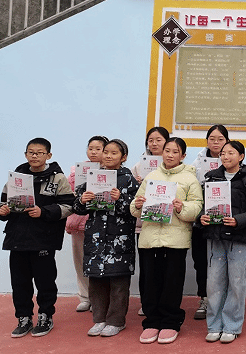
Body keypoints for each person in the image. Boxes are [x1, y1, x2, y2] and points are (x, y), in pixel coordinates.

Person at [0, 138, 74, 337]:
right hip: (17, 239)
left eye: (39, 153)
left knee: (45, 281)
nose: (34, 156)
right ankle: (23, 318)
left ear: (48, 155)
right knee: (19, 282)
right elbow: (3, 204)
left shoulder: (58, 179)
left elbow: (68, 206)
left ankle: (45, 316)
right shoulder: (16, 178)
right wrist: (2, 211)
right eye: (31, 152)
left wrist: (43, 212)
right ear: (25, 155)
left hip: (44, 239)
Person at [131, 137, 203, 344]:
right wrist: (138, 204)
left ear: (183, 156)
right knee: (150, 282)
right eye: (167, 151)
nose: (170, 155)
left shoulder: (189, 178)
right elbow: (134, 208)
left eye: (175, 152)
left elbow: (197, 206)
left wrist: (182, 207)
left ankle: (171, 322)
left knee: (172, 282)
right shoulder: (151, 176)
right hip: (149, 238)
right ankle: (152, 322)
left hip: (175, 239)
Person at [200, 140, 246, 343]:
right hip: (216, 237)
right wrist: (201, 217)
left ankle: (232, 325)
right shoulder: (212, 177)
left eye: (230, 153)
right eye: (223, 153)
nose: (225, 157)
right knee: (214, 284)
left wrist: (238, 220)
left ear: (241, 156)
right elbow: (203, 205)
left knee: (236, 283)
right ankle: (214, 325)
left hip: (238, 238)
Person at [72, 139, 140, 337]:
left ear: (123, 157)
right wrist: (82, 200)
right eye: (106, 152)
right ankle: (99, 319)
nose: (108, 156)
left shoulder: (128, 180)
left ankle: (116, 321)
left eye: (114, 153)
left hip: (119, 239)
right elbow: (76, 206)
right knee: (96, 280)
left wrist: (121, 199)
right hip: (95, 237)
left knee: (118, 281)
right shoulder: (92, 177)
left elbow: (135, 208)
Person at [189, 125, 229, 321]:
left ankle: (223, 300)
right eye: (212, 139)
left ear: (227, 141)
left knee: (223, 262)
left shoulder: (233, 161)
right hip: (201, 221)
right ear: (207, 141)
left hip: (225, 222)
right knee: (201, 262)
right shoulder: (196, 164)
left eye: (220, 139)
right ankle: (204, 298)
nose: (216, 142)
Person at [130, 126, 170, 317]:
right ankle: (146, 301)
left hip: (168, 224)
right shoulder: (138, 166)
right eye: (150, 140)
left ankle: (163, 301)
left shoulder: (173, 165)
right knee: (147, 267)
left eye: (158, 140)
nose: (154, 143)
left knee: (164, 266)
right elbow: (131, 195)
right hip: (144, 225)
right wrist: (137, 184)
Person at [67, 135, 108, 312]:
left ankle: (100, 298)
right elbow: (68, 195)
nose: (93, 152)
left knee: (100, 262)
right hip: (78, 223)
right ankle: (85, 297)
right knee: (80, 261)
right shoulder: (76, 171)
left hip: (101, 224)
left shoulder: (111, 172)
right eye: (91, 148)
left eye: (98, 149)